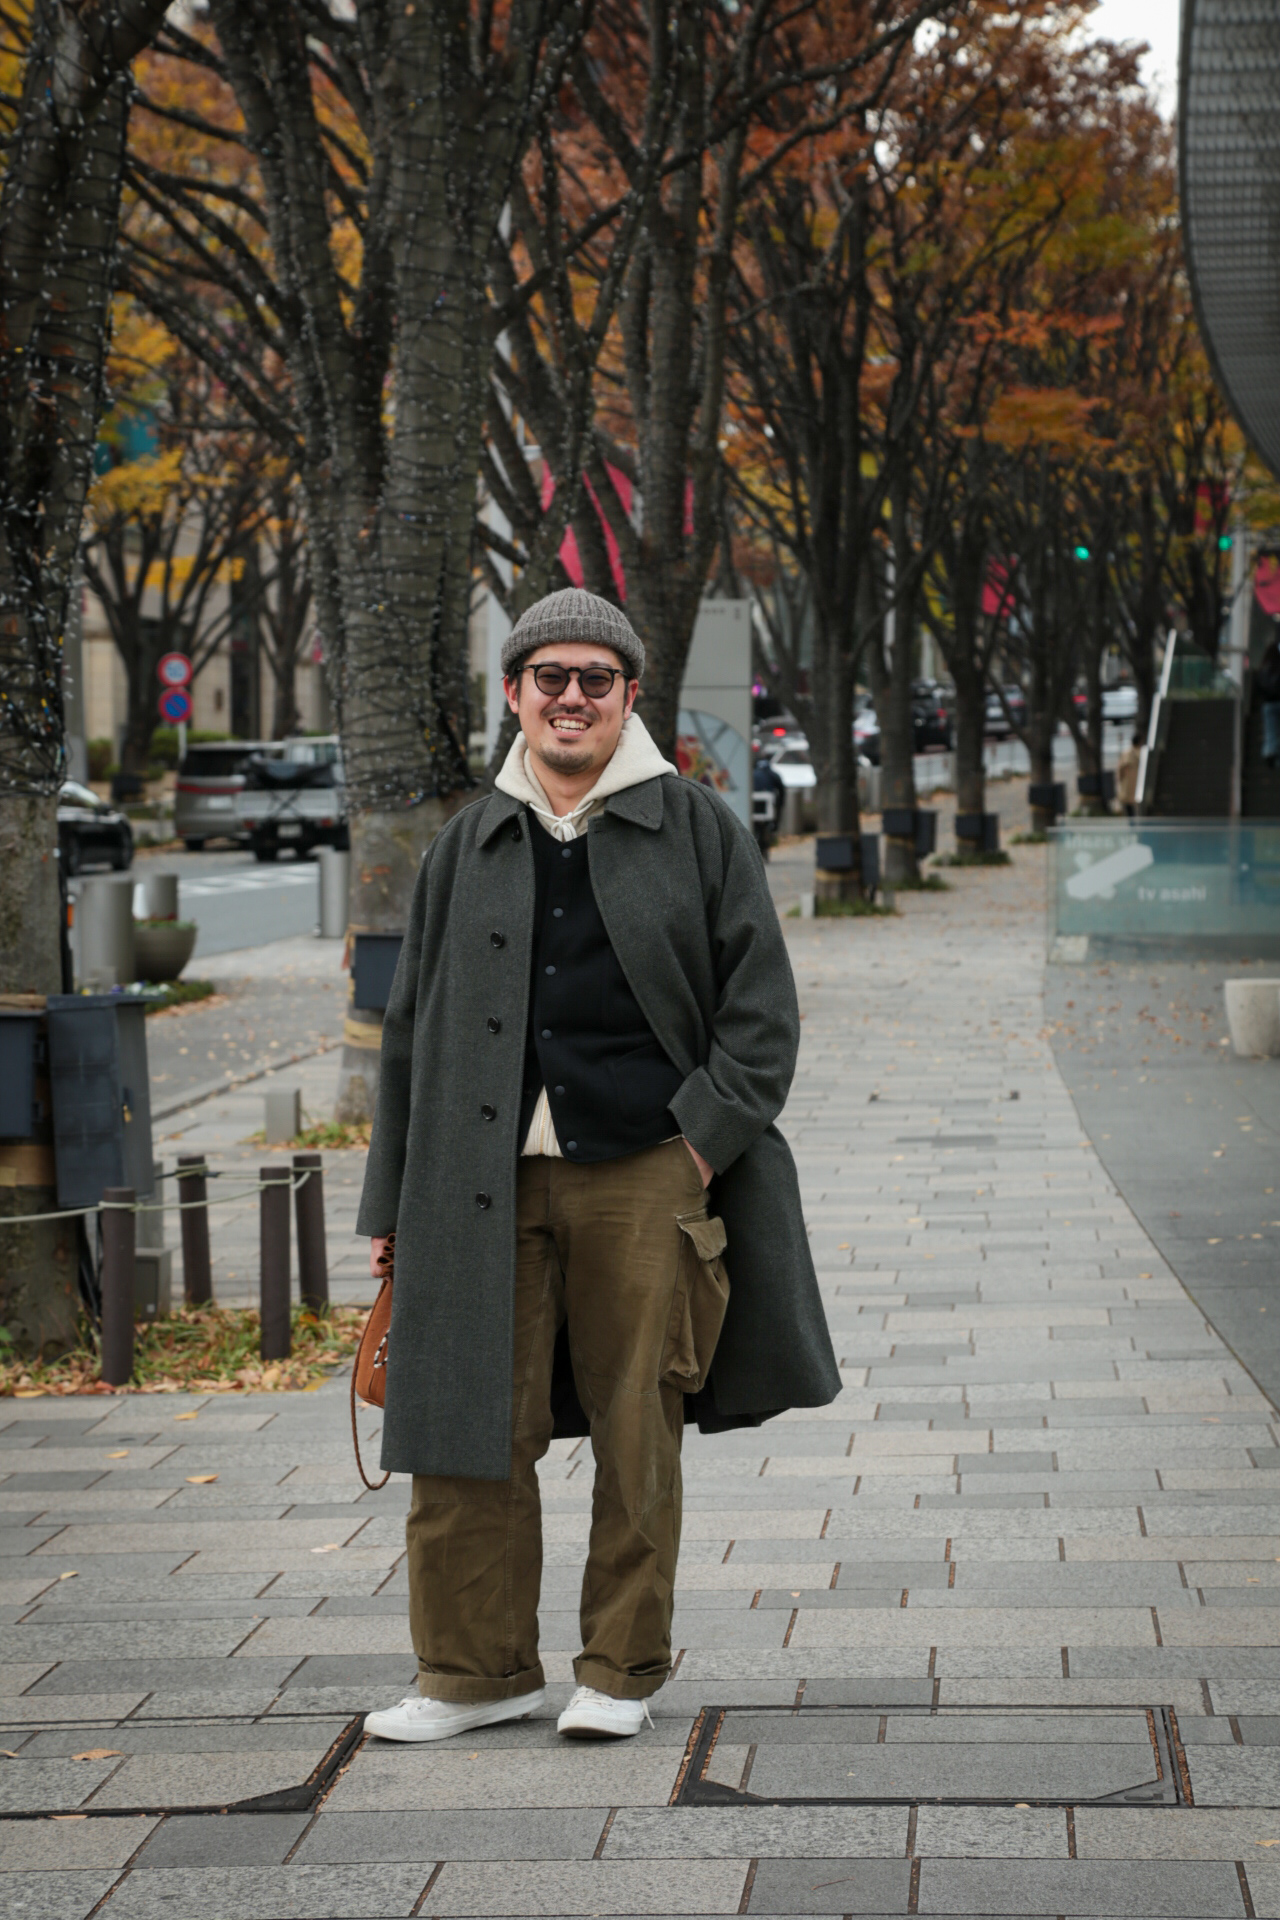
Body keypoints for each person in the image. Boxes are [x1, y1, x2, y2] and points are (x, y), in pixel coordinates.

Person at [357, 587, 840, 1746]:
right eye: (549, 677)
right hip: (474, 1183)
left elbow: (760, 1016)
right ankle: (472, 1674)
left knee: (636, 1427)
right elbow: (409, 1033)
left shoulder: (697, 827)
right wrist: (390, 1207)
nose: (569, 697)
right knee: (464, 1421)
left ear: (629, 695)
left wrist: (696, 1144)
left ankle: (618, 1671)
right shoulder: (467, 841)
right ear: (514, 693)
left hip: (645, 1172)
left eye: (594, 679)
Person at [752, 747, 786, 857]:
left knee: (755, 826)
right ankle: (766, 842)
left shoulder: (752, 773)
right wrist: (780, 805)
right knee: (767, 825)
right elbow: (781, 790)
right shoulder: (772, 774)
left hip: (753, 804)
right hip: (768, 804)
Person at [1257, 635, 1280, 767]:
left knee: (1270, 730)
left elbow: (1259, 684)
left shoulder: (1265, 666)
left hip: (1268, 703)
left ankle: (1270, 751)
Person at [1116, 729, 1143, 818]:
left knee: (1130, 808)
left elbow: (1120, 770)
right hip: (1134, 786)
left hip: (1128, 786)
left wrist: (1120, 779)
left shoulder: (1127, 753)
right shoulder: (1140, 753)